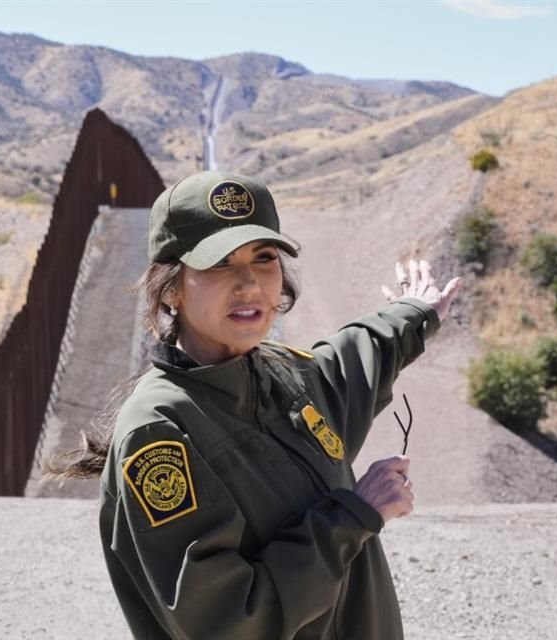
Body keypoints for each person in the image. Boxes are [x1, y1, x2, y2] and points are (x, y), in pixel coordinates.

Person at [49, 170, 460, 639]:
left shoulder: (281, 376)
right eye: (220, 262)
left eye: (264, 258)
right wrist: (354, 515)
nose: (249, 284)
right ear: (170, 288)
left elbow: (350, 363)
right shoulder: (160, 431)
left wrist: (414, 314)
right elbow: (229, 622)